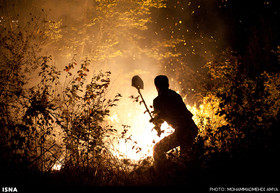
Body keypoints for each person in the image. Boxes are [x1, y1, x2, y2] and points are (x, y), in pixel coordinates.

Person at [151, 75, 198, 169]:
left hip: (181, 131)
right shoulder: (175, 95)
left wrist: (157, 128)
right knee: (186, 158)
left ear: (156, 87)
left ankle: (165, 173)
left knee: (157, 149)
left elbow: (158, 120)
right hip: (192, 128)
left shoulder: (158, 101)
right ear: (168, 84)